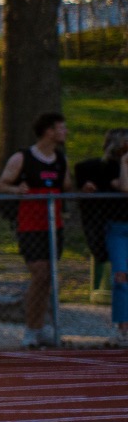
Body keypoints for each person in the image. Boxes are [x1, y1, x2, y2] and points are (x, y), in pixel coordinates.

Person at [0, 112, 70, 348]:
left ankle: (40, 327)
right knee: (39, 273)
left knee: (49, 277)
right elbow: (1, 184)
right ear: (49, 131)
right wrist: (17, 189)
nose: (65, 132)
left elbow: (67, 185)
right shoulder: (23, 157)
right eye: (61, 128)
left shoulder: (60, 160)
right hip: (30, 225)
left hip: (54, 225)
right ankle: (30, 328)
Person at [74, 128, 128, 346]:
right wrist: (124, 164)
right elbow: (124, 187)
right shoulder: (105, 169)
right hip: (117, 228)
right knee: (121, 276)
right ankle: (123, 327)